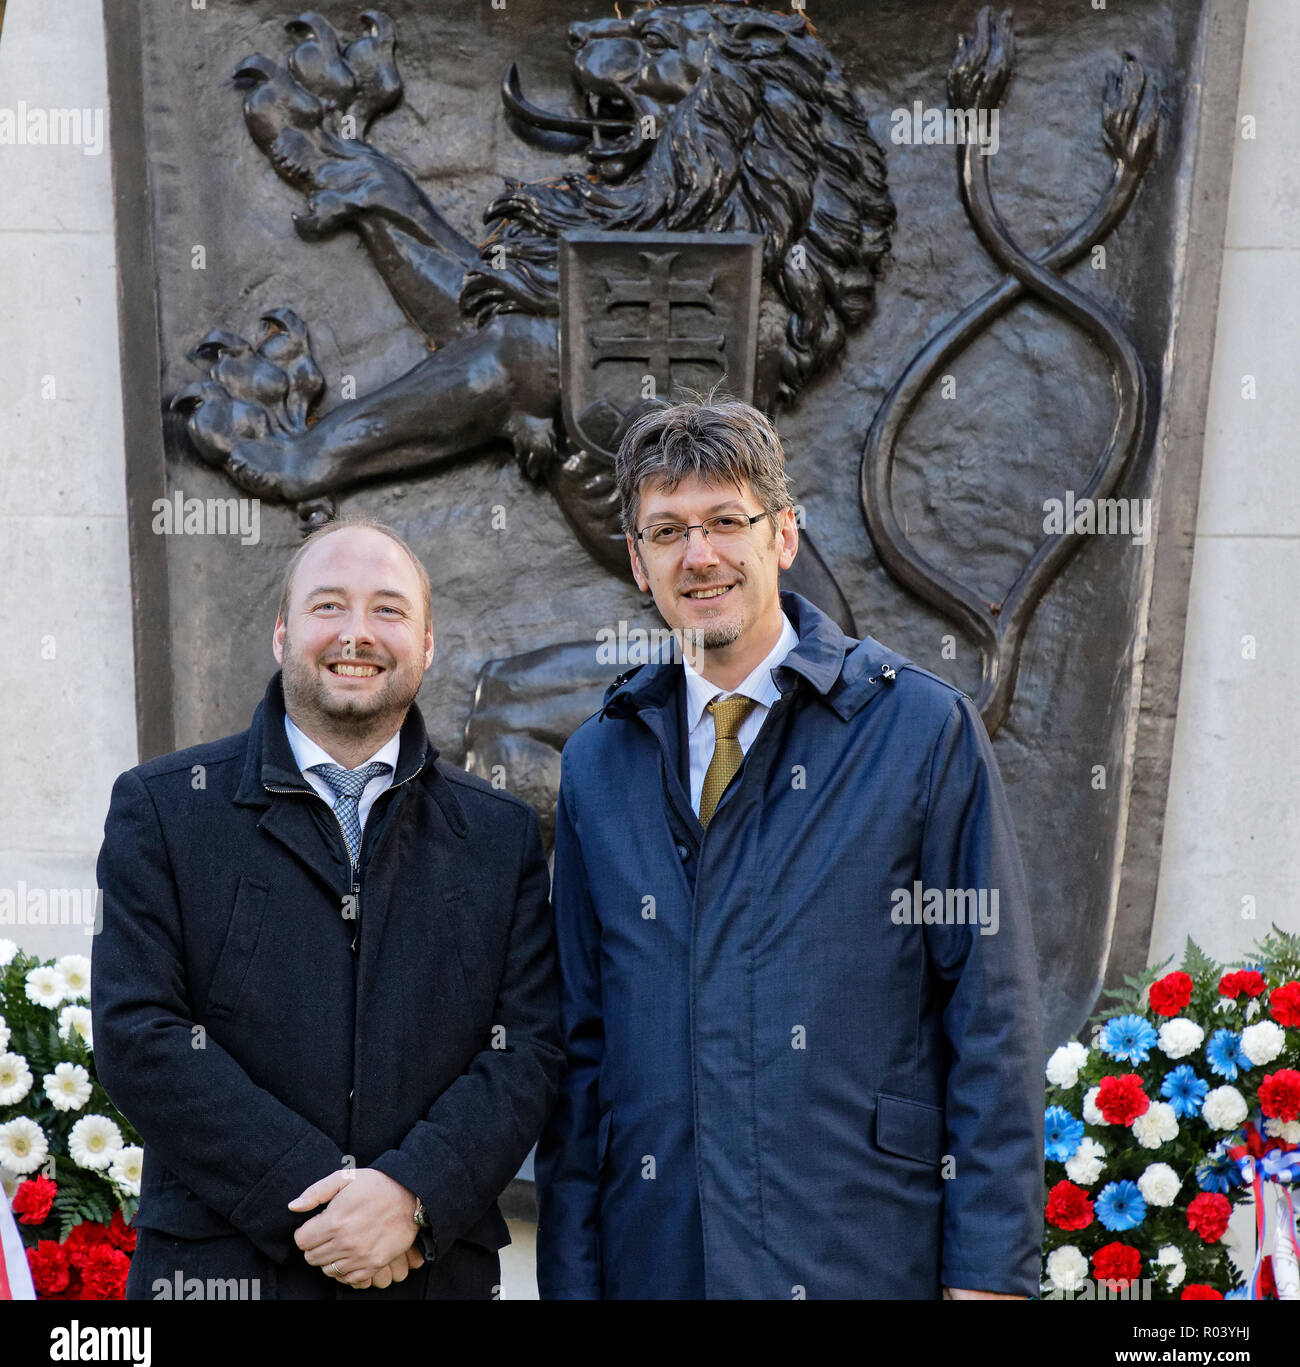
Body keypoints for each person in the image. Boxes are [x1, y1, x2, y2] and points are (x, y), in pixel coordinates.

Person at [535, 395, 1044, 1299]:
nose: (701, 556)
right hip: (659, 1263)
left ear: (784, 535)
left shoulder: (919, 730)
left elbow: (991, 1012)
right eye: (668, 531)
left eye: (728, 521)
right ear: (637, 561)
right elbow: (581, 1052)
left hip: (862, 1253)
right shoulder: (599, 763)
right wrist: (572, 1281)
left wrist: (990, 1272)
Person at [92, 517, 562, 1299]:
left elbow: (529, 1050)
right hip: (221, 1274)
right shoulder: (165, 810)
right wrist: (327, 1204)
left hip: (428, 1274)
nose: (357, 634)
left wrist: (411, 1195)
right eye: (328, 606)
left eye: (387, 610)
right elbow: (139, 1032)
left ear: (428, 643)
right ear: (281, 635)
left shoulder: (499, 836)